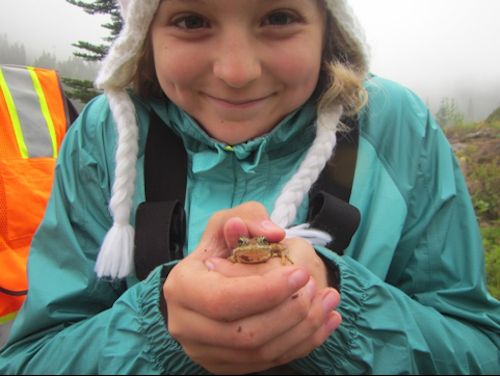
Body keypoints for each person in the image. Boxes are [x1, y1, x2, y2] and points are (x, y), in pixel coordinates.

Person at [1, 0, 499, 374]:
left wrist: (336, 305)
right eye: (192, 21)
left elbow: (480, 349)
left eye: (278, 17)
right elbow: (29, 358)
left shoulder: (398, 127)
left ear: (329, 28)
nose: (236, 73)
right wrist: (159, 321)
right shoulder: (104, 135)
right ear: (145, 32)